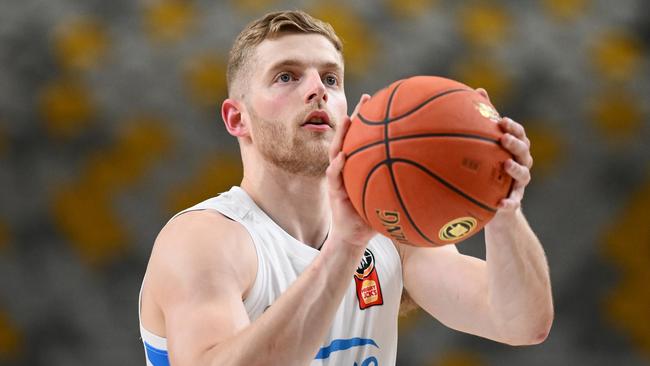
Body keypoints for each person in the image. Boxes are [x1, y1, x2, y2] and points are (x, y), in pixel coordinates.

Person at [138, 10, 553, 366]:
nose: (317, 89)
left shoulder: (391, 229)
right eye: (286, 76)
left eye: (331, 79)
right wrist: (345, 248)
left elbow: (520, 323)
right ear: (236, 119)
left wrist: (500, 206)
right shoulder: (205, 240)